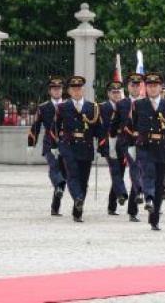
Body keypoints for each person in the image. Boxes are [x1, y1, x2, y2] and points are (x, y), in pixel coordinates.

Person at [124, 72, 165, 230]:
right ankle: (148, 198)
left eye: (155, 86)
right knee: (148, 173)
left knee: (159, 184)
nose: (152, 88)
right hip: (144, 146)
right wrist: (131, 146)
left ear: (160, 87)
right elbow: (130, 127)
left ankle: (154, 219)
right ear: (146, 87)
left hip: (163, 148)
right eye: (149, 86)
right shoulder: (138, 105)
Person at [55, 75, 104, 222]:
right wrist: (55, 145)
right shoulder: (62, 107)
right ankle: (78, 198)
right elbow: (55, 127)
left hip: (86, 147)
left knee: (83, 181)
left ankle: (77, 211)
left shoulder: (93, 107)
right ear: (69, 91)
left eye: (79, 88)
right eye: (73, 89)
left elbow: (99, 130)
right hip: (68, 147)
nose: (77, 91)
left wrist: (101, 148)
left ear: (83, 90)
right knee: (72, 175)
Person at [27, 76, 67, 216]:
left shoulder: (68, 105)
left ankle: (55, 207)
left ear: (62, 90)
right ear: (50, 91)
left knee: (64, 175)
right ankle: (59, 188)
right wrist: (31, 143)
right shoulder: (43, 107)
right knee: (54, 167)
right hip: (49, 143)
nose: (56, 91)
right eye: (54, 89)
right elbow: (36, 126)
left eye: (59, 88)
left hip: (65, 144)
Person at [111, 72, 144, 222]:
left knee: (137, 171)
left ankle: (133, 210)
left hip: (141, 143)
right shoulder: (121, 104)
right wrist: (111, 144)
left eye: (137, 85)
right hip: (125, 143)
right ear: (128, 87)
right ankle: (115, 202)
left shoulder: (146, 103)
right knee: (121, 172)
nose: (135, 88)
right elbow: (114, 125)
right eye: (132, 85)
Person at [99, 80, 129, 216]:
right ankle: (122, 194)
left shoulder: (125, 106)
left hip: (122, 144)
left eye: (118, 92)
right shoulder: (102, 107)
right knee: (115, 170)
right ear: (108, 93)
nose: (116, 94)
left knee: (120, 173)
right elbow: (98, 127)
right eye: (114, 92)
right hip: (108, 144)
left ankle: (112, 206)